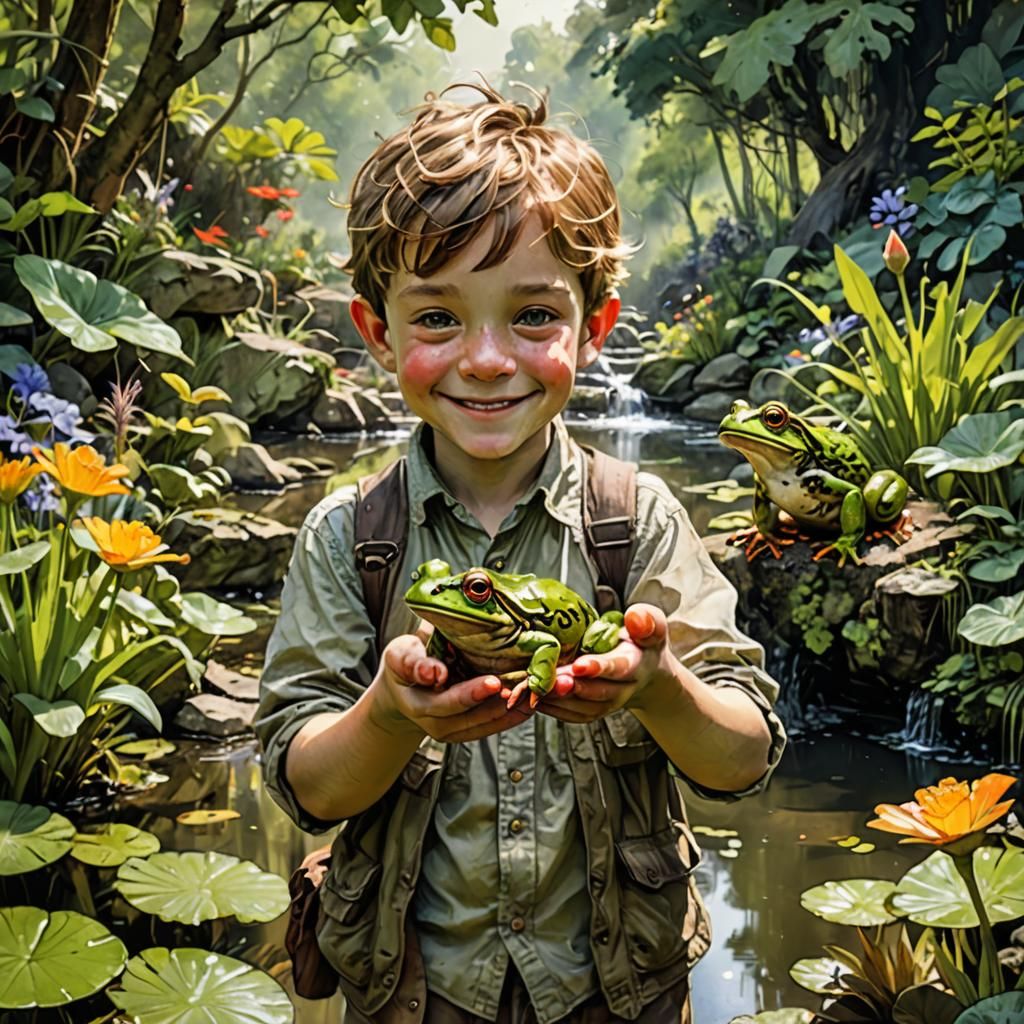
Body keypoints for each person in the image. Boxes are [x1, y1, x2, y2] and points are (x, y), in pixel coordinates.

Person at [255, 82, 786, 1024]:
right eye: (438, 317)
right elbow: (304, 781)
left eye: (533, 315)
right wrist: (388, 712)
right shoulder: (353, 538)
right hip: (414, 990)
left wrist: (659, 683)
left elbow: (742, 760)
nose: (489, 358)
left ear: (595, 328)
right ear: (377, 331)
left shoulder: (640, 518)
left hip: (617, 988)